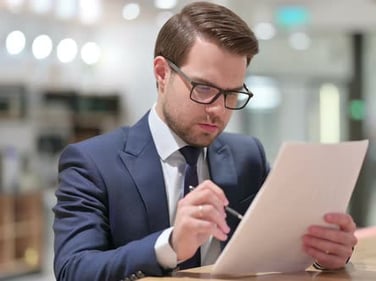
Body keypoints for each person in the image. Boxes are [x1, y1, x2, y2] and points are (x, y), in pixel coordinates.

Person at [52, 2, 358, 280]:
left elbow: (276, 248)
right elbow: (73, 269)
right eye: (203, 88)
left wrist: (324, 252)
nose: (218, 109)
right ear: (162, 73)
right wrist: (170, 245)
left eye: (232, 93)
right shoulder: (92, 163)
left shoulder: (247, 156)